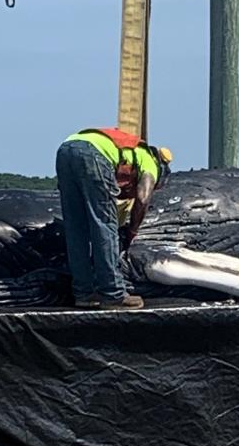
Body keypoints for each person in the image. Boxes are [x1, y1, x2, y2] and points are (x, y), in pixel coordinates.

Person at [55, 127, 172, 310]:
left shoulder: (129, 153)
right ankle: (113, 294)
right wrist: (132, 229)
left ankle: (84, 294)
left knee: (76, 228)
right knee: (104, 226)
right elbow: (142, 199)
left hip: (66, 149)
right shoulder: (150, 163)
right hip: (93, 154)